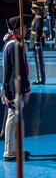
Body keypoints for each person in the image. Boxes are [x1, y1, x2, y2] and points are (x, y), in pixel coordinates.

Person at [1, 15, 32, 162]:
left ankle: (14, 149)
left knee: (14, 119)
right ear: (18, 28)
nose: (26, 29)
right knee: (12, 120)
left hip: (12, 87)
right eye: (24, 27)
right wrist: (23, 88)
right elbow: (17, 70)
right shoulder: (14, 45)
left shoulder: (15, 42)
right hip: (14, 88)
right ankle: (9, 151)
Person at [30, 2, 46, 85]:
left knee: (39, 62)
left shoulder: (39, 18)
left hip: (37, 42)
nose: (31, 10)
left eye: (33, 8)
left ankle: (41, 79)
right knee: (37, 61)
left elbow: (38, 31)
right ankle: (39, 78)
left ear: (37, 10)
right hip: (34, 41)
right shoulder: (36, 17)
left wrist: (36, 42)